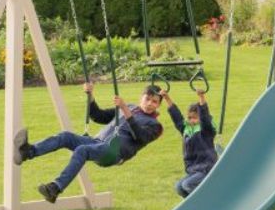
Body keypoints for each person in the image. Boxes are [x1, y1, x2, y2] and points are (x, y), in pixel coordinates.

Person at [14, 82, 164, 202]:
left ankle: (55, 188)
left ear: (158, 105)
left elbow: (140, 136)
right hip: (96, 142)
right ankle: (28, 152)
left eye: (154, 101)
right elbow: (98, 116)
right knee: (65, 136)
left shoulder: (155, 126)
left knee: (82, 150)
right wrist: (90, 95)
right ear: (141, 98)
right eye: (147, 99)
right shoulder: (131, 107)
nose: (150, 103)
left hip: (113, 152)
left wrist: (125, 110)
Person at [164, 88, 218, 198]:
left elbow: (205, 118)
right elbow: (177, 117)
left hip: (206, 168)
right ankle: (192, 208)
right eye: (189, 117)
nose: (191, 120)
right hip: (193, 169)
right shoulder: (186, 130)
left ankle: (208, 200)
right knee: (179, 187)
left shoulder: (206, 131)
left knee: (188, 184)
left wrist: (201, 98)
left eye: (194, 118)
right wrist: (166, 98)